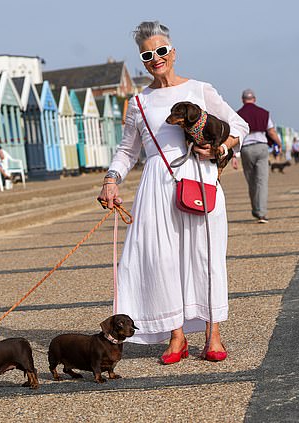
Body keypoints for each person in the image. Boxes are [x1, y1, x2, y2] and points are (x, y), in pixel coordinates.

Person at [97, 21, 249, 364]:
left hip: (201, 180)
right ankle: (176, 336)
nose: (156, 58)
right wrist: (111, 179)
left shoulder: (199, 88)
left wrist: (221, 149)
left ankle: (214, 334)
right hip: (156, 187)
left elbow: (239, 126)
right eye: (148, 54)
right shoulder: (138, 101)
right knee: (163, 262)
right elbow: (127, 151)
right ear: (142, 60)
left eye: (161, 51)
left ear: (173, 52)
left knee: (206, 257)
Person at [236, 89, 281, 223]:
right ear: (254, 99)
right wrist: (279, 144)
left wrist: (233, 156)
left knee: (251, 181)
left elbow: (234, 134)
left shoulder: (238, 115)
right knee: (262, 181)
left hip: (245, 149)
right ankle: (261, 213)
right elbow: (271, 132)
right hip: (261, 148)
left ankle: (256, 209)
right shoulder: (264, 113)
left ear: (243, 99)